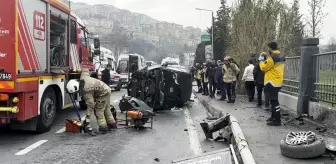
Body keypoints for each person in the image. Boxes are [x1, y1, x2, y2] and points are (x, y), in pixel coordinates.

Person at [79, 68, 117, 134]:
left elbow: (90, 105)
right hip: (107, 90)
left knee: (98, 110)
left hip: (103, 93)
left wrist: (87, 121)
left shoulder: (84, 86)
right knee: (106, 109)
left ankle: (103, 128)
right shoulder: (88, 79)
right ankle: (112, 125)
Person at [260, 41, 284, 126]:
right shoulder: (279, 56)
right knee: (273, 101)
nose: (267, 50)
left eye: (268, 48)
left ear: (270, 48)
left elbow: (264, 68)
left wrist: (261, 60)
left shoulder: (272, 58)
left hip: (272, 82)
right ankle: (273, 116)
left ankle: (277, 120)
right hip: (277, 81)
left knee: (274, 101)